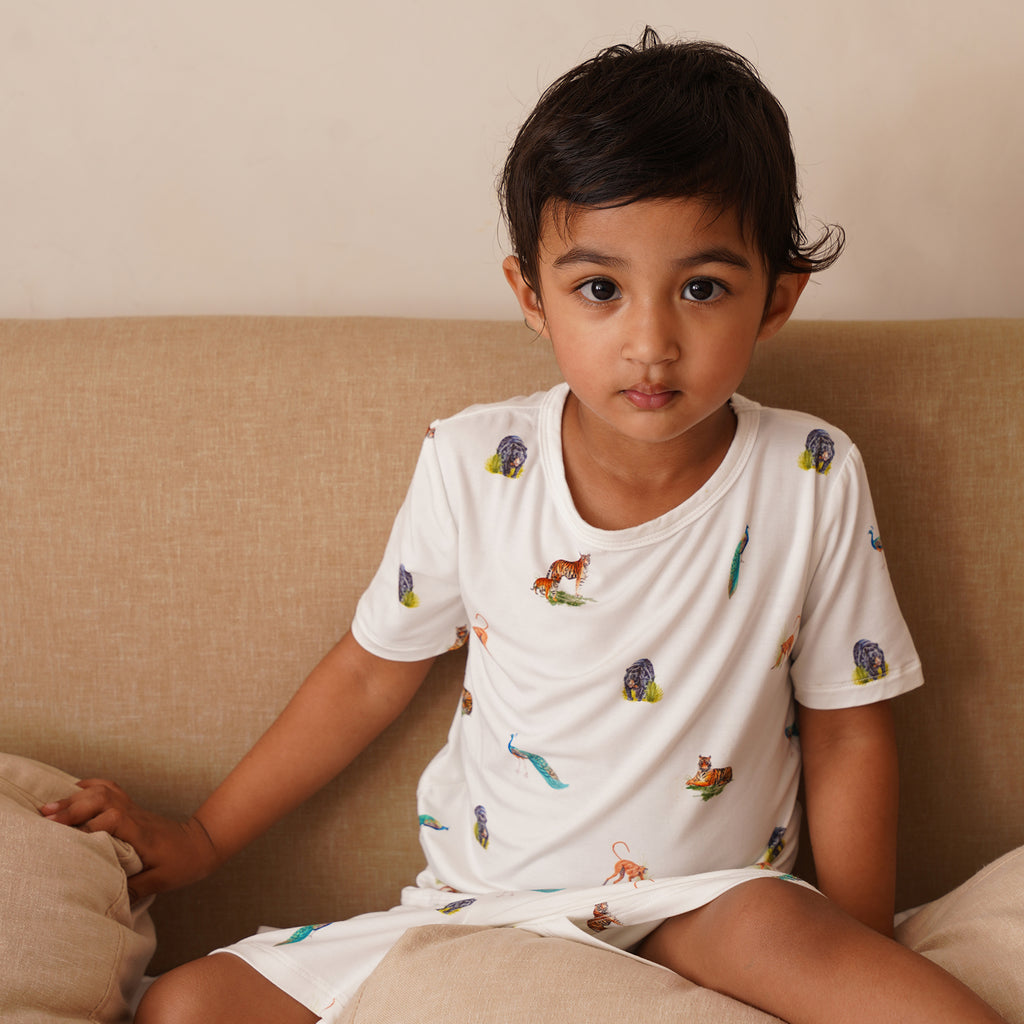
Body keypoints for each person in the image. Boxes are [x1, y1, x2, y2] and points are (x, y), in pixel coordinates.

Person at [41, 28, 1007, 1024]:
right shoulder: (474, 462)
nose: (650, 340)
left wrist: (850, 943)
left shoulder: (810, 472)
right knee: (187, 1008)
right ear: (531, 297)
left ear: (777, 299)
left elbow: (848, 730)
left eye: (702, 288)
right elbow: (374, 669)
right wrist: (200, 838)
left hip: (705, 904)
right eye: (599, 288)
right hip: (477, 913)